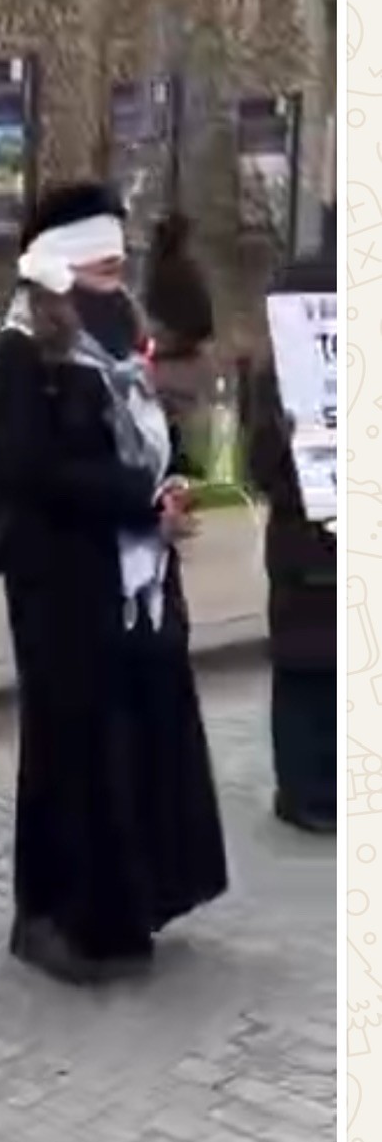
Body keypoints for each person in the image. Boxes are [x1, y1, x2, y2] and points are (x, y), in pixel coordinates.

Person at [0, 181, 228, 984]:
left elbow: (149, 438)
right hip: (61, 585)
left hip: (131, 582)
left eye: (119, 265)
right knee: (69, 749)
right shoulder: (22, 353)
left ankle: (129, 903)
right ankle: (55, 917)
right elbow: (34, 468)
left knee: (133, 739)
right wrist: (137, 502)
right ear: (61, 264)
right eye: (101, 266)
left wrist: (171, 484)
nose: (116, 279)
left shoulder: (117, 342)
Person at [237, 252, 336, 834]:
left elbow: (261, 465)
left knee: (301, 667)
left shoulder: (277, 372)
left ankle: (305, 792)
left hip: (301, 539)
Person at [142, 211, 216, 478]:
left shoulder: (157, 272)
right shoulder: (186, 272)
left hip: (168, 356)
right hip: (186, 355)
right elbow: (204, 318)